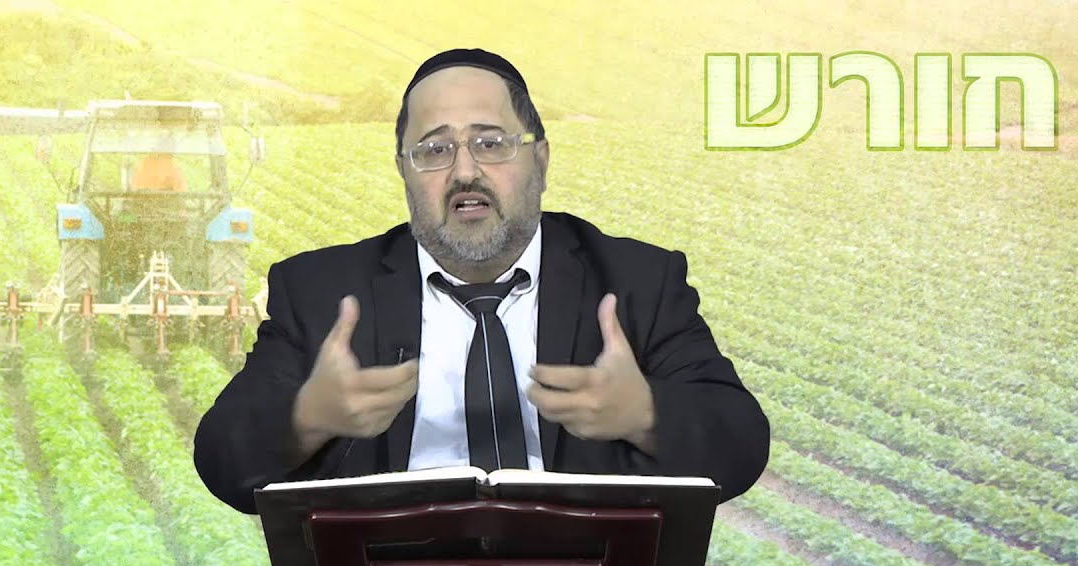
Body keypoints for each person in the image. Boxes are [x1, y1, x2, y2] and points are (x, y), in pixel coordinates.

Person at [193, 48, 769, 515]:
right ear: (404, 171)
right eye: (434, 150)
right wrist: (305, 419)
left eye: (491, 143)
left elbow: (742, 445)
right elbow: (221, 460)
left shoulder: (637, 281)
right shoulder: (320, 291)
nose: (464, 170)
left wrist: (647, 414)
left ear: (540, 159)